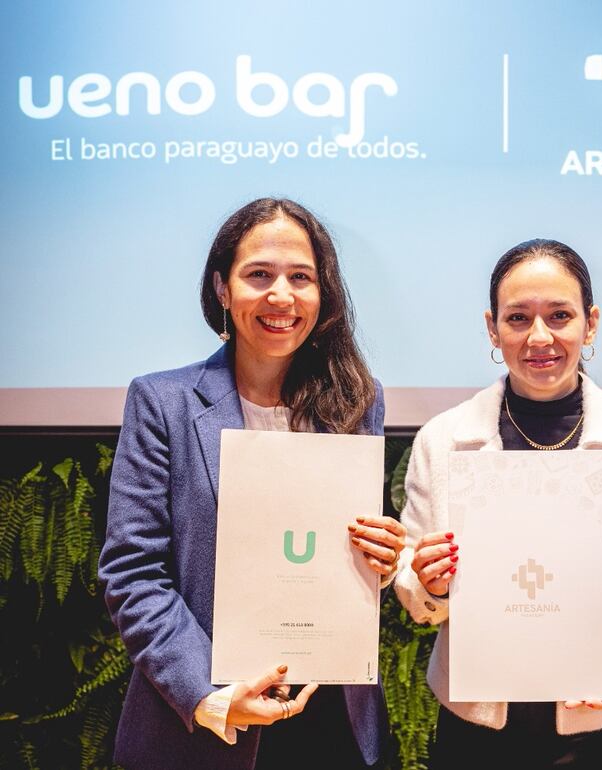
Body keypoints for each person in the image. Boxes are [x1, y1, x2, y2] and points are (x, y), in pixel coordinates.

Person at [98, 197, 406, 770]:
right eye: (259, 274)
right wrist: (210, 694)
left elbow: (358, 561)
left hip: (333, 717)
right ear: (222, 287)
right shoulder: (162, 402)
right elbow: (133, 572)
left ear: (323, 292)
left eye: (301, 277)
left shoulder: (357, 401)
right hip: (207, 725)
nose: (281, 296)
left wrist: (382, 561)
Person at [393, 238, 602, 769]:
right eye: (518, 318)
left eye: (560, 315)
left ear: (591, 323)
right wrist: (430, 583)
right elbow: (412, 572)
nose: (540, 337)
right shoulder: (442, 441)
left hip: (593, 727)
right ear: (493, 328)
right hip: (473, 727)